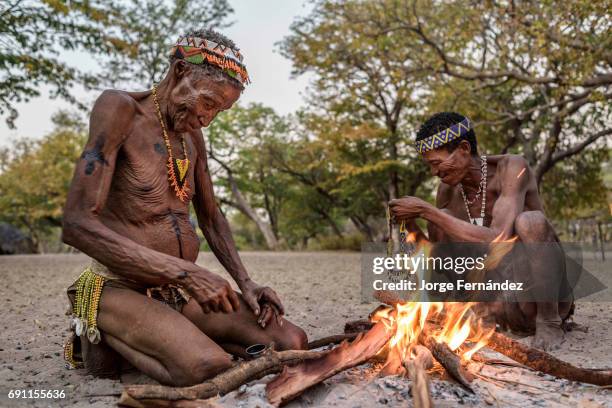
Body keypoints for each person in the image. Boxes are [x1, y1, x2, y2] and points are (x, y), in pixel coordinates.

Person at [61, 29, 307, 385]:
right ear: (179, 72)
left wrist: (246, 281)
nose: (208, 118)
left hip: (176, 292)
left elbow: (211, 216)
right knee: (206, 369)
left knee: (291, 342)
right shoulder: (119, 109)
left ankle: (172, 334)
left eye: (218, 111)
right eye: (207, 102)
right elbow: (76, 223)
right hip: (117, 286)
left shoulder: (192, 135)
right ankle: (99, 328)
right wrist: (188, 273)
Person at [389, 112, 573, 351]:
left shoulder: (512, 168)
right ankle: (472, 315)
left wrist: (427, 210)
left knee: (531, 221)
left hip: (532, 302)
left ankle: (549, 323)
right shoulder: (447, 190)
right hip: (494, 306)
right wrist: (410, 226)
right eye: (430, 166)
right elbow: (437, 258)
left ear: (464, 149)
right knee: (441, 221)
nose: (435, 173)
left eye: (437, 163)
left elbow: (498, 239)